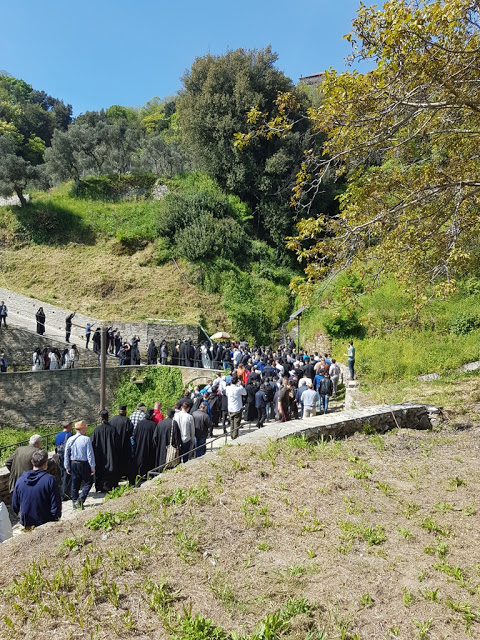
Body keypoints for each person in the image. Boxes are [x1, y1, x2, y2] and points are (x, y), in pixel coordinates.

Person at [12, 449, 62, 529]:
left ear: (32, 461)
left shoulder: (20, 480)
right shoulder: (50, 479)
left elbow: (15, 505)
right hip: (45, 523)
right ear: (46, 463)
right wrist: (55, 519)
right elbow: (56, 503)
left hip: (27, 522)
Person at [64, 420, 95, 509]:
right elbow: (90, 454)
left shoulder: (70, 439)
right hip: (83, 463)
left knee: (75, 483)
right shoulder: (86, 439)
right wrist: (92, 466)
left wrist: (67, 466)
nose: (86, 430)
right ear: (82, 429)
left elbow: (67, 454)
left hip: (73, 463)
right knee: (88, 482)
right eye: (85, 428)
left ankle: (74, 502)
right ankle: (80, 500)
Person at [91, 409, 122, 493]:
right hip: (111, 454)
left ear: (100, 418)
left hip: (100, 455)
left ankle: (101, 486)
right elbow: (118, 444)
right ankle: (111, 485)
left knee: (100, 470)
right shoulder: (113, 429)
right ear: (108, 417)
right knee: (112, 469)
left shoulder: (96, 430)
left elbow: (92, 444)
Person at [110, 405, 135, 484]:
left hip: (114, 447)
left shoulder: (112, 420)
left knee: (116, 464)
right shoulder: (127, 420)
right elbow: (131, 432)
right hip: (125, 446)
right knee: (127, 464)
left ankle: (114, 482)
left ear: (118, 411)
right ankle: (130, 481)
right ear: (125, 412)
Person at [133, 408, 157, 480]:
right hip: (149, 447)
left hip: (139, 446)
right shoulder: (153, 425)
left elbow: (134, 434)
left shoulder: (140, 423)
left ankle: (138, 474)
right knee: (148, 461)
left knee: (139, 460)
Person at [55, 421, 74, 500]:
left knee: (62, 474)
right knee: (68, 475)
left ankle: (63, 492)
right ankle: (66, 493)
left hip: (60, 457)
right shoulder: (70, 435)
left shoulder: (58, 435)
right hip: (67, 457)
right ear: (68, 426)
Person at [226, 374, 246, 439]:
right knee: (236, 423)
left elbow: (226, 394)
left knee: (232, 423)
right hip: (237, 408)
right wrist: (240, 385)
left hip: (230, 408)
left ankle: (232, 435)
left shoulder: (228, 388)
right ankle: (235, 437)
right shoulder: (238, 388)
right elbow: (245, 393)